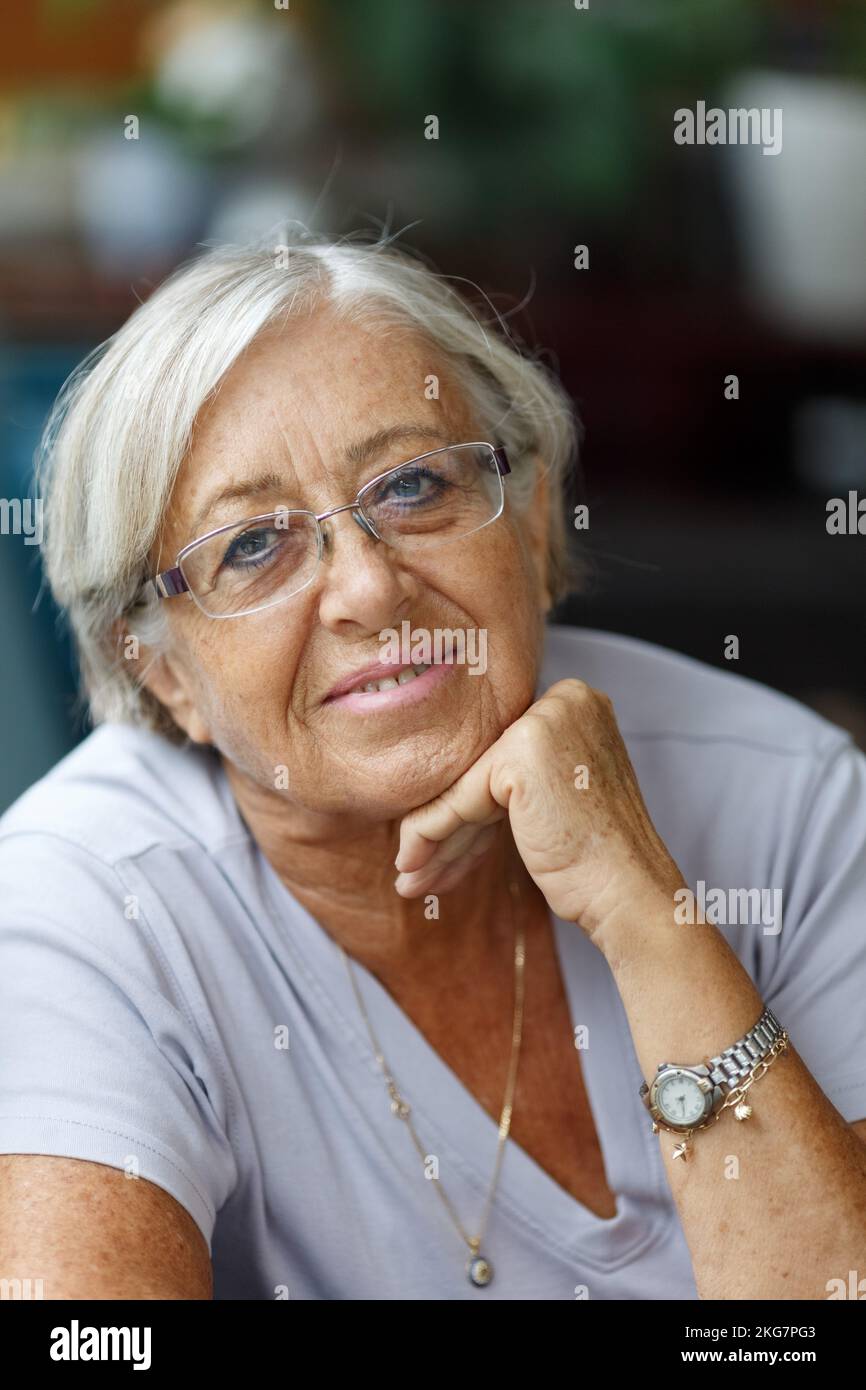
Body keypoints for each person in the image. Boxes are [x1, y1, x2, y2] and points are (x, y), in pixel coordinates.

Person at [1, 232, 865, 1301]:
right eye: (253, 546)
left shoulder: (786, 792)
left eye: (412, 484)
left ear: (534, 519)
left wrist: (640, 905)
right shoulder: (81, 902)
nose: (368, 586)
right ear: (161, 667)